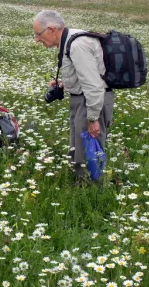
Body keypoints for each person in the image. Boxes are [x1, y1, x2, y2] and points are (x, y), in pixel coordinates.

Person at [33, 10, 114, 180]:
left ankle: (93, 193)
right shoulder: (72, 39)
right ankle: (84, 186)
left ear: (51, 30)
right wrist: (66, 84)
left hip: (90, 102)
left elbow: (93, 85)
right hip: (85, 100)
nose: (37, 39)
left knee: (88, 150)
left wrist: (93, 119)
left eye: (38, 34)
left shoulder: (77, 45)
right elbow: (90, 74)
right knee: (79, 148)